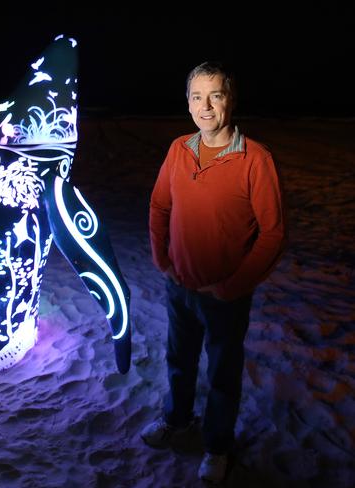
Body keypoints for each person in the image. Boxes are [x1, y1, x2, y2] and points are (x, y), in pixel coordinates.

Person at [141, 61, 286, 483]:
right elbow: (159, 207)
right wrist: (161, 261)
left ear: (230, 100)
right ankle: (177, 421)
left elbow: (273, 234)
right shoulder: (178, 149)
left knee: (223, 375)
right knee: (179, 363)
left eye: (215, 96)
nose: (205, 107)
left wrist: (233, 286)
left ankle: (218, 447)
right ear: (188, 104)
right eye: (196, 97)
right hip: (179, 287)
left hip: (226, 297)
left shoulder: (256, 159)